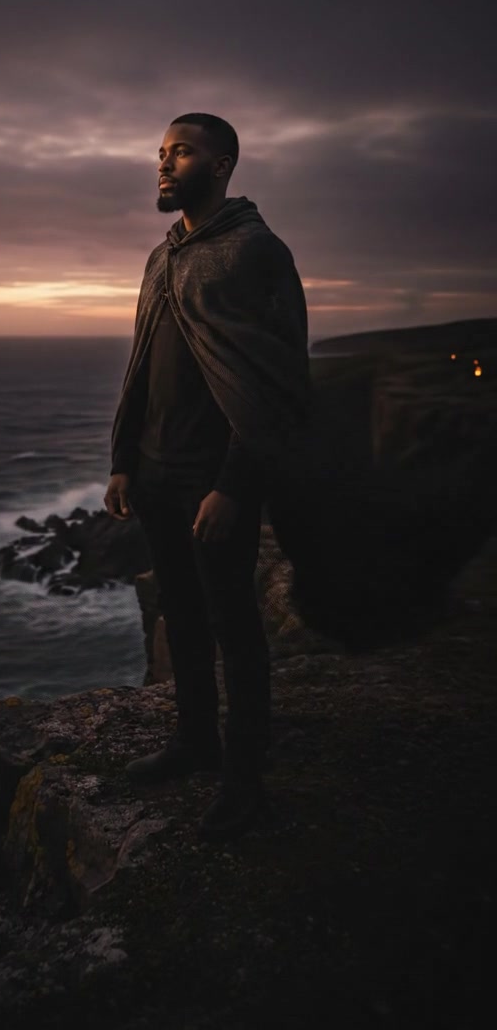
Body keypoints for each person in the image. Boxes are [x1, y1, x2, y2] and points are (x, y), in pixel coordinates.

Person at [104, 113, 310, 841]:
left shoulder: (256, 251)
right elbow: (140, 365)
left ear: (221, 165)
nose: (164, 164)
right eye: (161, 153)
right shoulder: (162, 257)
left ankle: (245, 782)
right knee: (180, 616)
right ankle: (196, 740)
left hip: (216, 479)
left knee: (235, 624)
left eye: (181, 152)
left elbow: (278, 378)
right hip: (155, 472)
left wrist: (234, 483)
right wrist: (123, 460)